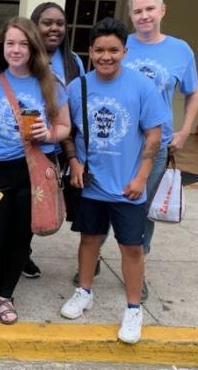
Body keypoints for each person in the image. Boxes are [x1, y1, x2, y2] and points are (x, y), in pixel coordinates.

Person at [59, 18, 167, 344]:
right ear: (89, 51)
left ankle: (133, 309)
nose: (106, 56)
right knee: (89, 239)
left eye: (114, 50)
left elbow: (154, 135)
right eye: (100, 50)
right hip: (91, 184)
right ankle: (84, 291)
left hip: (127, 186)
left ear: (125, 51)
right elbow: (68, 132)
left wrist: (141, 178)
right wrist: (74, 162)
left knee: (131, 247)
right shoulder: (76, 88)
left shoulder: (142, 87)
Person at [0, 17, 70, 324]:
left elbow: (65, 127)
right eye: (10, 43)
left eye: (23, 43)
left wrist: (48, 134)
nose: (16, 49)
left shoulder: (51, 86)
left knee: (19, 239)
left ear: (34, 47)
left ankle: (5, 295)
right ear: (2, 48)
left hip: (34, 172)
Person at [124, 0, 198, 300]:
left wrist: (184, 132)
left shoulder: (180, 50)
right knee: (105, 201)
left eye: (149, 9)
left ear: (162, 11)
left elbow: (192, 92)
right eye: (138, 11)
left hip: (155, 147)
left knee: (144, 209)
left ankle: (137, 270)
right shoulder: (121, 44)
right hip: (119, 141)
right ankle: (94, 256)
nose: (144, 16)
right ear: (131, 16)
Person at [24, 1, 88, 281]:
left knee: (49, 201)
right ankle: (21, 254)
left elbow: (76, 110)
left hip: (62, 141)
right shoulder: (23, 56)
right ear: (35, 25)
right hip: (26, 143)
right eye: (47, 22)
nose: (54, 28)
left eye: (59, 23)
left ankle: (90, 256)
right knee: (24, 202)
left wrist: (74, 157)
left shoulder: (74, 62)